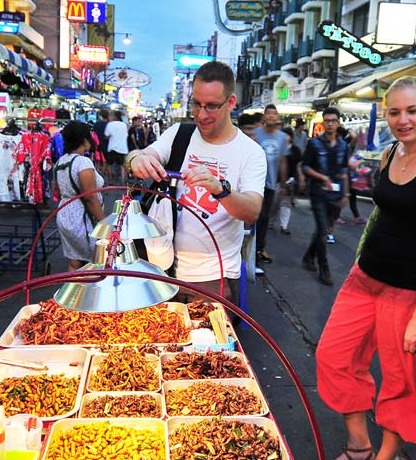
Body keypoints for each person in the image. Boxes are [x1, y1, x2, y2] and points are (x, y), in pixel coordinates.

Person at [315, 76, 416, 460]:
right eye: (395, 111)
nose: (403, 120)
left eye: (411, 110)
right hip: (366, 277)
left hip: (412, 291)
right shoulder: (391, 152)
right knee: (334, 356)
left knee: (400, 381)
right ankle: (359, 444)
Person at [126, 61, 266, 304]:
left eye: (212, 106)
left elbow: (252, 211)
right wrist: (136, 159)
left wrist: (220, 190)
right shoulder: (180, 133)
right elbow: (141, 155)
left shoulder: (250, 152)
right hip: (161, 267)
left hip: (213, 277)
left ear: (231, 103)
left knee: (209, 341)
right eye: (196, 104)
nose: (202, 115)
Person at [300, 107, 349, 285]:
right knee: (322, 230)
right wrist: (322, 177)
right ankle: (324, 268)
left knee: (325, 229)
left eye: (333, 121)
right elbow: (305, 166)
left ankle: (308, 257)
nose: (330, 124)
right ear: (323, 122)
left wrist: (346, 193)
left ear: (338, 122)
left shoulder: (343, 145)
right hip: (318, 192)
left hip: (335, 194)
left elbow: (344, 171)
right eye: (327, 120)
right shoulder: (314, 144)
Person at [54, 121, 106, 271]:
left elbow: (58, 189)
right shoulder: (83, 163)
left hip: (65, 214)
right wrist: (104, 223)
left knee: (74, 262)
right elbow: (90, 198)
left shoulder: (61, 161)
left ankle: (72, 293)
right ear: (84, 140)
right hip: (82, 218)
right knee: (94, 262)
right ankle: (89, 293)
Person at [253, 104, 289, 265]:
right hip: (254, 182)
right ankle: (245, 248)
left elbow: (282, 161)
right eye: (269, 114)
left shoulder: (282, 137)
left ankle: (259, 248)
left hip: (270, 185)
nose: (272, 116)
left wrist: (283, 183)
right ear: (264, 116)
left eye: (275, 114)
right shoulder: (256, 134)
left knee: (264, 218)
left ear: (278, 117)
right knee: (249, 216)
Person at [270, 126, 304, 235]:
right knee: (274, 203)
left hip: (290, 180)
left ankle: (284, 226)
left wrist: (301, 178)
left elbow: (299, 165)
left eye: (287, 135)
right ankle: (271, 221)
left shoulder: (295, 150)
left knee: (286, 204)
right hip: (276, 180)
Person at [104, 110, 129, 184]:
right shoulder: (124, 125)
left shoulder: (110, 125)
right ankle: (122, 181)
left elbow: (106, 136)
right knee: (122, 166)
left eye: (111, 115)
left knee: (109, 165)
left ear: (114, 116)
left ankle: (111, 181)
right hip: (122, 148)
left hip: (112, 147)